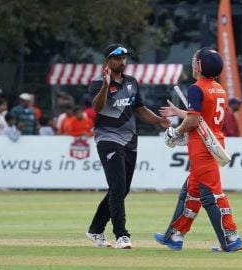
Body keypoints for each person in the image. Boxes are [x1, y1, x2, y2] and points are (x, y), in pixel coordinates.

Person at [154, 47, 242, 252]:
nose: (194, 64)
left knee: (212, 194)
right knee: (191, 192)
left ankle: (231, 238)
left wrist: (175, 132)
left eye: (196, 62)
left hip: (201, 146)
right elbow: (203, 114)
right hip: (214, 141)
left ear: (200, 66)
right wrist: (180, 112)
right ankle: (175, 236)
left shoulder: (196, 88)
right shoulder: (219, 88)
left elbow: (193, 120)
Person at [85, 43, 170, 249]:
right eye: (117, 58)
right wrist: (106, 85)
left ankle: (95, 229)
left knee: (122, 189)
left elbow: (139, 109)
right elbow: (97, 107)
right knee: (117, 187)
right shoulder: (97, 83)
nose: (122, 62)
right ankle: (121, 235)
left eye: (124, 58)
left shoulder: (131, 82)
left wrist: (158, 120)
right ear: (107, 61)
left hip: (130, 140)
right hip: (107, 139)